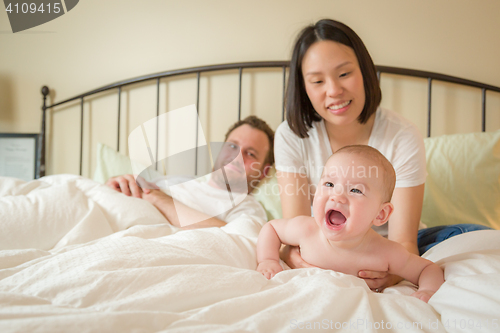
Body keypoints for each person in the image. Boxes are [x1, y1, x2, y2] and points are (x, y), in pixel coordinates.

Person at [274, 19, 488, 292]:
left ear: (364, 71)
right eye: (317, 81)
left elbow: (403, 242)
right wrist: (296, 259)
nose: (333, 91)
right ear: (304, 88)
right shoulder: (292, 136)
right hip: (327, 246)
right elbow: (292, 235)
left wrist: (393, 274)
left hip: (388, 252)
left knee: (472, 239)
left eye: (344, 74)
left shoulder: (402, 135)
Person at [257, 146, 444, 303]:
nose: (337, 195)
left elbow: (427, 268)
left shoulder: (385, 253)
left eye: (355, 190)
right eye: (329, 184)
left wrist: (428, 290)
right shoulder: (306, 230)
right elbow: (271, 228)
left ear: (380, 214)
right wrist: (268, 260)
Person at [106, 115, 274, 229]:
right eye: (232, 146)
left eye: (250, 153)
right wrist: (118, 184)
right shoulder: (172, 181)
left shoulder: (249, 208)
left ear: (264, 172)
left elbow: (237, 240)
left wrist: (160, 199)